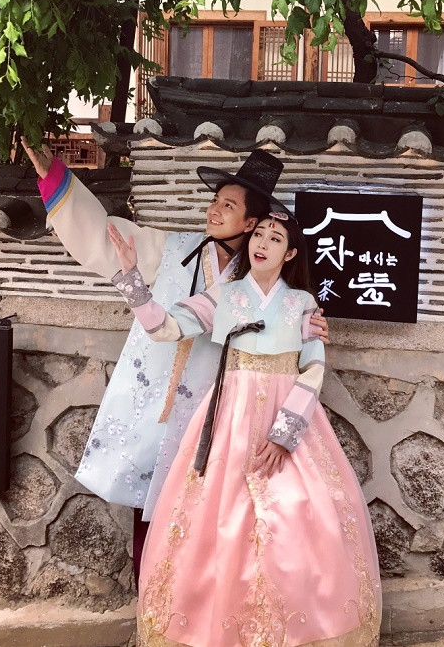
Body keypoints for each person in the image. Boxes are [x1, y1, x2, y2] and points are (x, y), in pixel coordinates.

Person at [21, 138, 329, 583]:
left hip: (222, 407)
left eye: (228, 205)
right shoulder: (171, 248)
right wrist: (56, 180)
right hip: (157, 392)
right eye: (215, 201)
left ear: (252, 223)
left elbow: (294, 330)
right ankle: (152, 592)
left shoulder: (258, 279)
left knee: (212, 506)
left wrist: (308, 326)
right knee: (149, 496)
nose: (214, 211)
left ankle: (200, 594)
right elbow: (103, 236)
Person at [109, 210, 382, 646]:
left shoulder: (303, 304)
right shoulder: (225, 295)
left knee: (296, 513)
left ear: (289, 254)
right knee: (217, 516)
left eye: (275, 239)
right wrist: (131, 277)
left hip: (287, 411)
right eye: (259, 234)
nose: (262, 243)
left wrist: (285, 434)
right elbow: (165, 328)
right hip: (229, 415)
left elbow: (313, 368)